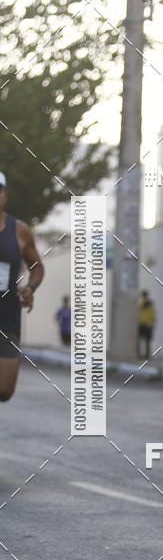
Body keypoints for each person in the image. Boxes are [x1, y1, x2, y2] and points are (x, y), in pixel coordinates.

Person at [0, 171, 45, 402]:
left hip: (6, 318)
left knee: (5, 391)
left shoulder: (19, 231)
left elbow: (37, 267)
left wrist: (30, 288)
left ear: (4, 194)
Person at [137, 291, 156, 360]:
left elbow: (153, 314)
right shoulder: (147, 303)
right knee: (146, 341)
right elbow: (153, 315)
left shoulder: (143, 303)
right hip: (146, 324)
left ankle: (142, 354)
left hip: (143, 324)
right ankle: (145, 355)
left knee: (143, 341)